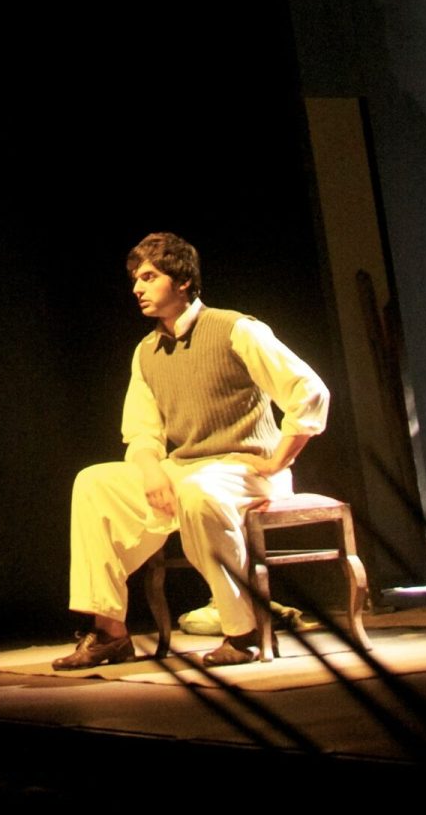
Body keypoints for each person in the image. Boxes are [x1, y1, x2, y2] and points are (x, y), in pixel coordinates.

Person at [54, 232, 330, 670]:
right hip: (186, 469)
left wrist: (280, 458)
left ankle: (242, 632)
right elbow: (141, 432)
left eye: (149, 277)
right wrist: (151, 473)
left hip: (244, 468)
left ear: (182, 281)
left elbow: (309, 391)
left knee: (199, 492)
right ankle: (109, 632)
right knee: (93, 483)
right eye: (135, 279)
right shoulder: (146, 352)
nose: (137, 288)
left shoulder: (235, 329)